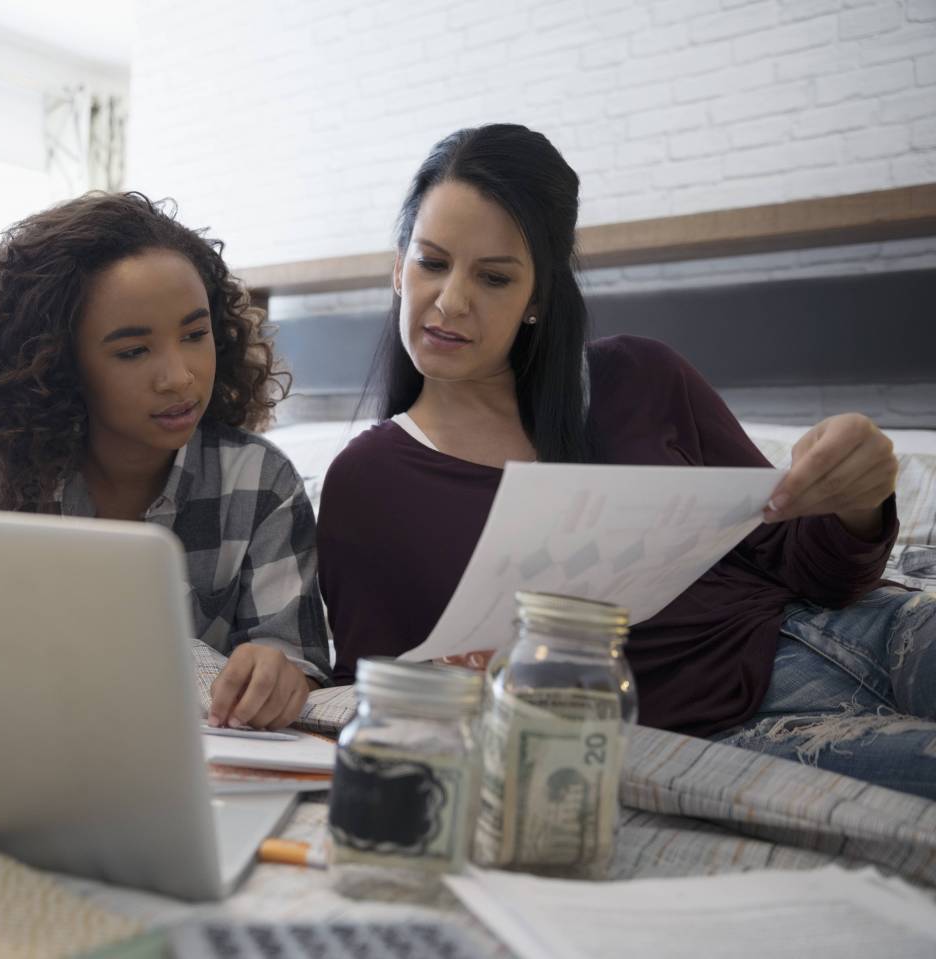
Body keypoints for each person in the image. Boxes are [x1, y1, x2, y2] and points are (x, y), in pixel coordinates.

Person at [316, 123, 936, 799]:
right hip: (730, 729)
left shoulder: (639, 376)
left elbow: (807, 563)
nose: (452, 299)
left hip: (860, 625)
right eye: (432, 262)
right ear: (398, 266)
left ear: (537, 301)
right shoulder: (369, 484)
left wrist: (858, 498)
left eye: (494, 277)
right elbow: (373, 697)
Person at [0, 191, 330, 729]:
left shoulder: (261, 482)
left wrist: (280, 675)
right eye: (133, 351)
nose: (179, 376)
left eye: (196, 335)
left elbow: (299, 662)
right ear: (57, 366)